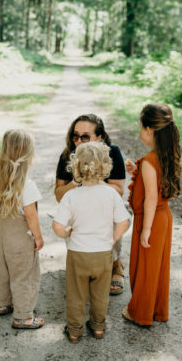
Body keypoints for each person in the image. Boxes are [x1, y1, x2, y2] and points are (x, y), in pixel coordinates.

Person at [52, 141, 129, 343]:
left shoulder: (71, 196)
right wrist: (113, 239)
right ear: (106, 166)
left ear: (75, 167)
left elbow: (57, 225)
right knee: (100, 295)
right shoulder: (111, 193)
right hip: (103, 254)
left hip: (78, 254)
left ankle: (75, 330)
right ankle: (98, 327)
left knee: (76, 295)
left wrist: (66, 232)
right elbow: (123, 222)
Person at [122, 103, 182, 327]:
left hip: (151, 219)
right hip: (164, 217)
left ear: (149, 130)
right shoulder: (165, 155)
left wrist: (145, 229)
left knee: (145, 267)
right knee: (157, 266)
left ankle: (140, 313)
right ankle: (157, 310)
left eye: (140, 127)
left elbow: (150, 199)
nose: (140, 132)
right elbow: (157, 186)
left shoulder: (149, 161)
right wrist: (138, 174)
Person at [54, 114, 127, 295]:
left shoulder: (113, 152)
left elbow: (118, 191)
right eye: (75, 136)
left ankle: (116, 265)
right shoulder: (68, 155)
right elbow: (58, 195)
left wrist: (94, 179)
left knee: (116, 218)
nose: (79, 141)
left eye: (85, 136)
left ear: (99, 137)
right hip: (78, 209)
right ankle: (82, 266)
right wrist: (76, 181)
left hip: (104, 208)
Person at [0, 129, 45, 329]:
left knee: (2, 270)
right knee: (23, 275)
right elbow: (31, 215)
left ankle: (4, 304)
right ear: (29, 157)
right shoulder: (27, 185)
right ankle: (23, 317)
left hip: (1, 239)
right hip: (21, 240)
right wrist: (38, 237)